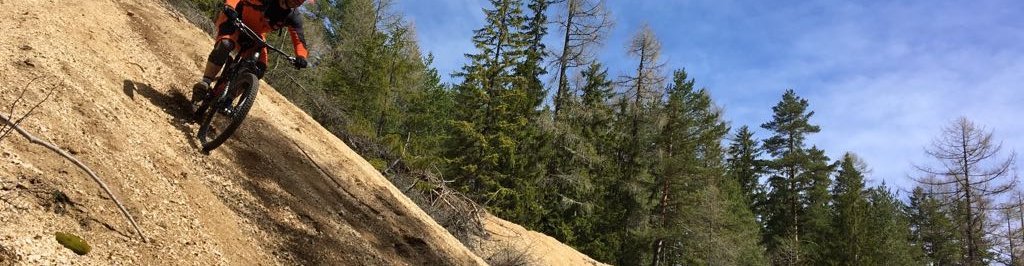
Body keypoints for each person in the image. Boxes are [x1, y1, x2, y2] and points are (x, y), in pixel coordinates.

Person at [192, 0, 310, 103]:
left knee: (259, 68)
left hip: (255, 35)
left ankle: (227, 98)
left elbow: (299, 40)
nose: (298, 2)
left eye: (302, 0)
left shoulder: (293, 16)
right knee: (225, 44)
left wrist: (301, 56)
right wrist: (230, 7)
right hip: (235, 20)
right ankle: (205, 83)